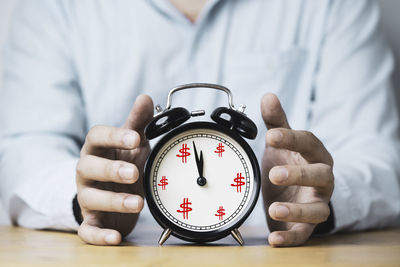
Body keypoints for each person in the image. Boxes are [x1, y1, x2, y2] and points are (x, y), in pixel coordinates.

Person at [1, 0, 399, 247]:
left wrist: (323, 196)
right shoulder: (53, 7)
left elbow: (379, 152)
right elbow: (22, 149)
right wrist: (83, 194)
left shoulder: (334, 4)